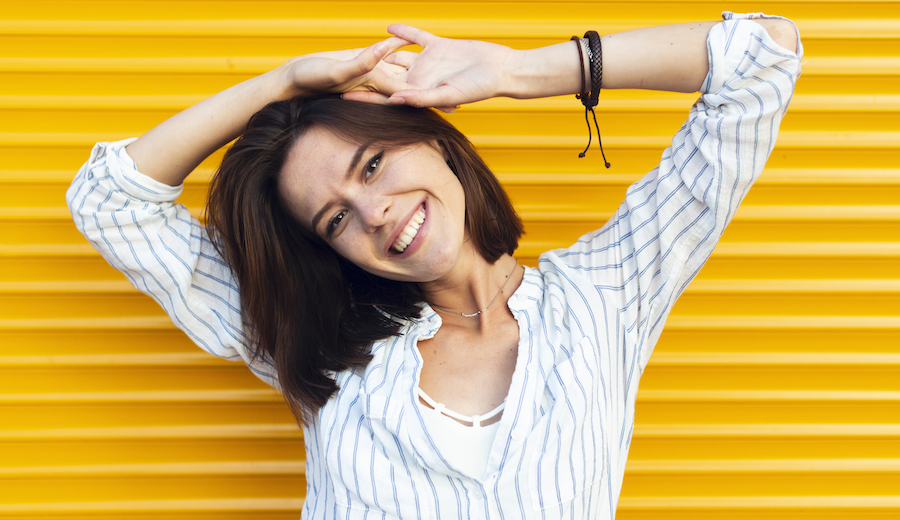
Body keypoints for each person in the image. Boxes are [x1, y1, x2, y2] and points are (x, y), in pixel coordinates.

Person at [67, 11, 801, 519]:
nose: (374, 211)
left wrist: (520, 73)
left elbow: (762, 54)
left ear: (436, 140)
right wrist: (281, 84)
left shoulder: (603, 295)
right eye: (335, 219)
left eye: (374, 163)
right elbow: (110, 201)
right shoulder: (315, 340)